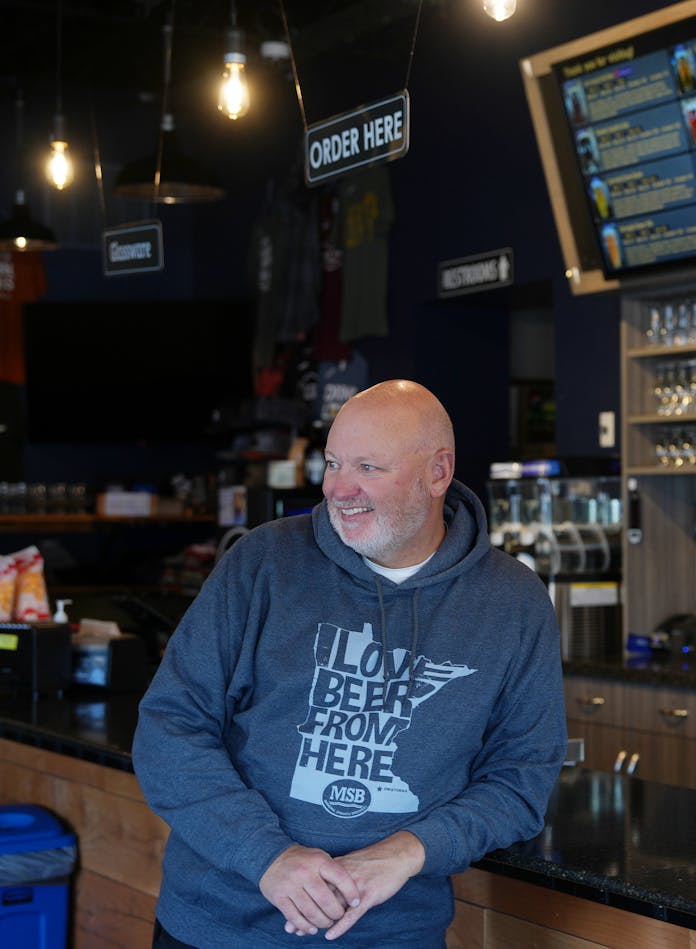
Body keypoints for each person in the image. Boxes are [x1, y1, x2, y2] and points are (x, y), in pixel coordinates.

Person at [133, 380, 567, 947]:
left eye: (368, 466)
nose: (341, 489)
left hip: (392, 933)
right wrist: (268, 856)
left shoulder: (514, 602)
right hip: (219, 924)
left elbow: (521, 777)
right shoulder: (263, 563)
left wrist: (408, 851)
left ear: (438, 473)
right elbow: (170, 728)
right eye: (333, 463)